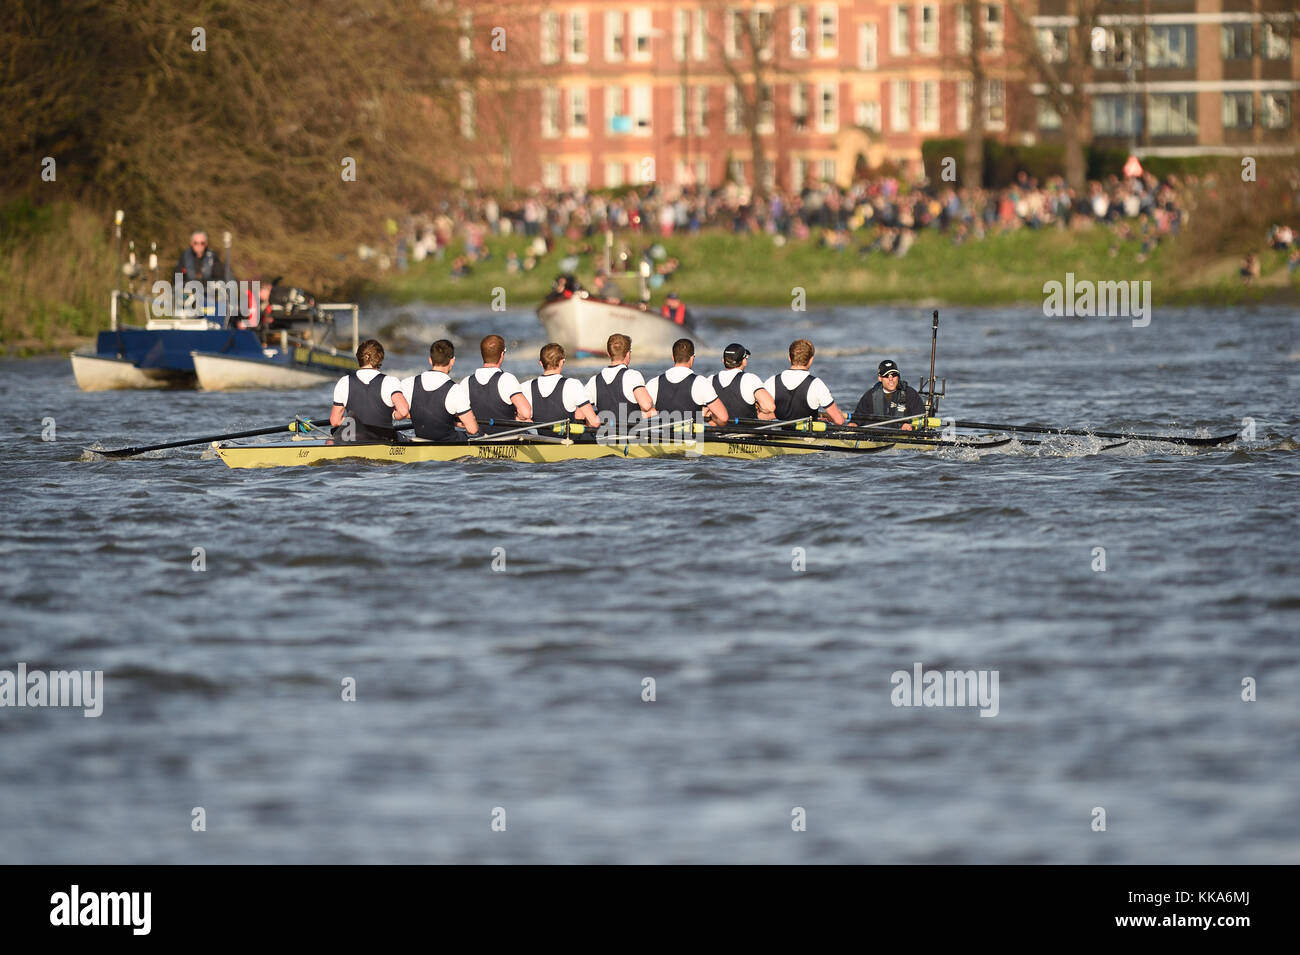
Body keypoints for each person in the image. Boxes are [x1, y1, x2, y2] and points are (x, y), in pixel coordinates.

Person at [330, 339, 410, 443]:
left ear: (358, 357)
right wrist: (394, 415)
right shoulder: (390, 381)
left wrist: (355, 423)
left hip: (354, 439)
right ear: (380, 358)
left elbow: (335, 421)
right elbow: (403, 412)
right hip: (383, 439)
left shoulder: (344, 382)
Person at [400, 339, 480, 442]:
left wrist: (419, 415)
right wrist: (453, 421)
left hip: (420, 441)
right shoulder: (455, 390)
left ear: (430, 360)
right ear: (452, 361)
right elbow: (473, 429)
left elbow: (399, 413)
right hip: (448, 446)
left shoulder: (408, 383)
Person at [645, 338, 730, 425]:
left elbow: (640, 415)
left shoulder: (654, 383)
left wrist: (656, 412)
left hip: (664, 436)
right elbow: (723, 418)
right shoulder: (700, 382)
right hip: (693, 437)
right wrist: (711, 420)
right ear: (692, 358)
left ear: (673, 357)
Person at [763, 338, 847, 425]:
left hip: (779, 434)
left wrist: (778, 414)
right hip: (808, 437)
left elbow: (760, 416)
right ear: (811, 360)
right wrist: (837, 416)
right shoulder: (817, 384)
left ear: (789, 357)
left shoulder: (771, 381)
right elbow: (839, 421)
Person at [585, 333, 657, 427]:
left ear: (608, 354)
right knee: (654, 412)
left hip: (604, 437)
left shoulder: (593, 381)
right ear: (628, 354)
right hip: (631, 437)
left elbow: (580, 414)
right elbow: (646, 405)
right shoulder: (632, 375)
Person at [525, 343, 601, 427]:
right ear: (562, 362)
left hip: (539, 438)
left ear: (541, 363)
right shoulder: (573, 384)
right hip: (567, 439)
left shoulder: (526, 386)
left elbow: (520, 417)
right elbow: (595, 422)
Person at [467, 334, 532, 425]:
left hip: (479, 436)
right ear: (502, 354)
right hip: (507, 436)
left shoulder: (466, 382)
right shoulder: (506, 379)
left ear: (483, 354)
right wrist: (517, 418)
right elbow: (526, 413)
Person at [709, 343, 776, 421]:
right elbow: (770, 407)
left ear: (723, 360)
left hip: (719, 431)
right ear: (744, 361)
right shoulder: (750, 379)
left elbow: (702, 412)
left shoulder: (710, 380)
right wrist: (759, 408)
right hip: (747, 432)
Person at [852, 359, 925, 430]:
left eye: (894, 375)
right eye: (886, 376)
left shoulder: (910, 394)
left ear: (898, 376)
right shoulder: (869, 396)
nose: (891, 379)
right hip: (876, 437)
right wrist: (853, 424)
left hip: (903, 436)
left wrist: (911, 426)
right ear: (880, 378)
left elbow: (921, 418)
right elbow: (857, 418)